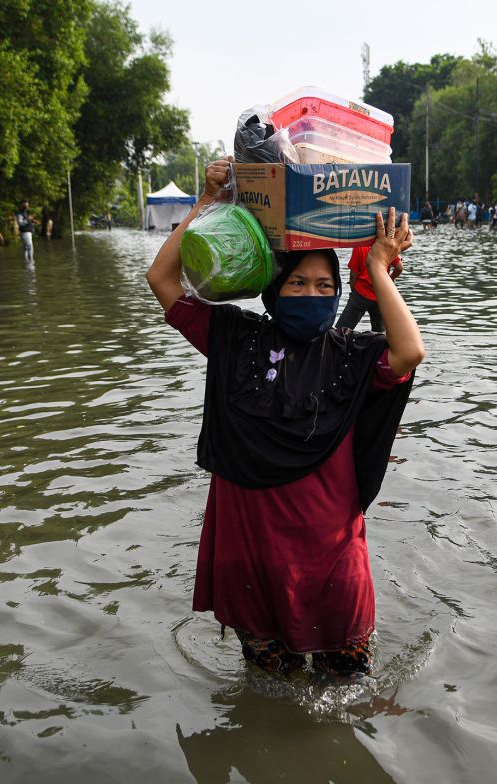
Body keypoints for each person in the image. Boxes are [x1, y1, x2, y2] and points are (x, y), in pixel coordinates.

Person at [146, 156, 423, 677]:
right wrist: (208, 204)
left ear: (339, 292)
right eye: (298, 284)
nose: (312, 295)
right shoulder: (234, 337)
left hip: (330, 550)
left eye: (324, 287)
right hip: (253, 550)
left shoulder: (350, 353)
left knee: (347, 680)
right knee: (269, 681)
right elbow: (161, 277)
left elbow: (410, 352)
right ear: (274, 291)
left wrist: (380, 271)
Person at [338, 244, 402, 331]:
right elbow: (399, 268)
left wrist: (354, 292)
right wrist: (390, 278)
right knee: (379, 333)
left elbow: (353, 275)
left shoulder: (360, 247)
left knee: (341, 330)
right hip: (380, 295)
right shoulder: (387, 247)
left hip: (360, 294)